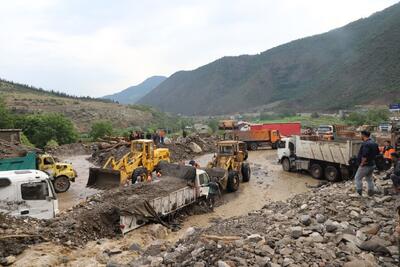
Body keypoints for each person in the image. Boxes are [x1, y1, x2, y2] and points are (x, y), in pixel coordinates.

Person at [354, 130, 380, 196]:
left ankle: (359, 193)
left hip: (365, 165)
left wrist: (362, 164)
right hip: (372, 164)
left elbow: (365, 155)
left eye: (361, 135)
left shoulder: (366, 144)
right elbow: (377, 153)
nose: (360, 136)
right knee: (369, 179)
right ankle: (371, 192)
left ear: (363, 135)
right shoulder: (374, 143)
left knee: (357, 178)